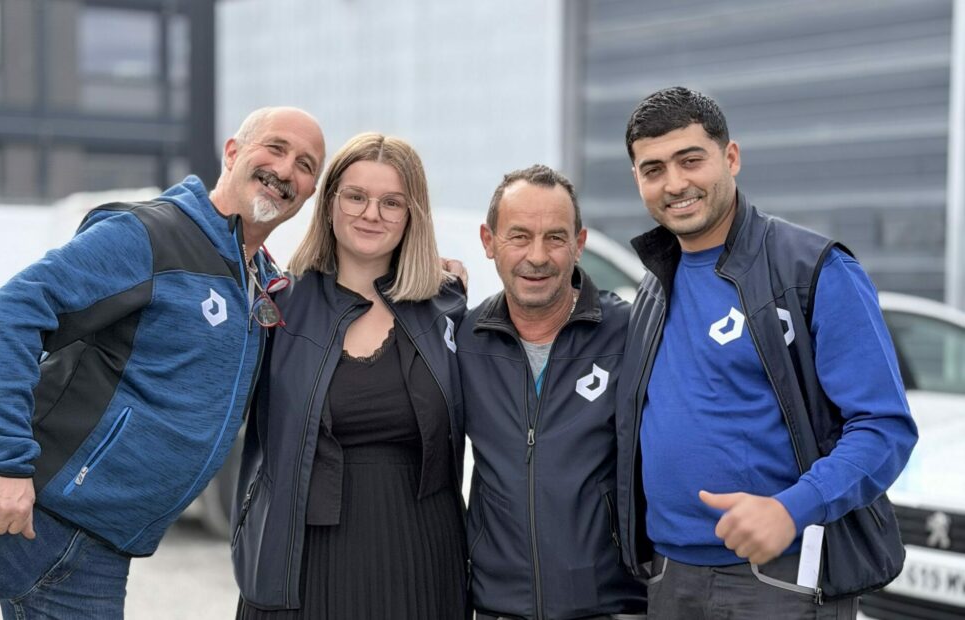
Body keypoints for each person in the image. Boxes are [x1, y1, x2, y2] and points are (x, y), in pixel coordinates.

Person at [0, 106, 325, 618]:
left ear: (309, 192)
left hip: (98, 556)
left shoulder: (262, 285)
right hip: (10, 504)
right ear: (232, 152)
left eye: (305, 164)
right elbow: (12, 310)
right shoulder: (152, 234)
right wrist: (3, 463)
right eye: (275, 148)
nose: (286, 170)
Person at [616, 86, 918, 618]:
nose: (676, 183)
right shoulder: (652, 286)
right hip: (668, 578)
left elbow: (884, 428)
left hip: (781, 578)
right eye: (654, 169)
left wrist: (791, 508)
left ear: (730, 157)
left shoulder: (812, 270)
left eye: (691, 160)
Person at [232, 132, 468, 619]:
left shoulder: (447, 308)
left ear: (413, 215)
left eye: (391, 202)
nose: (371, 214)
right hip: (303, 555)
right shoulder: (278, 306)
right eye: (356, 197)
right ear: (330, 203)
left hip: (421, 552)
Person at [457, 164, 646, 620]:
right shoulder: (463, 339)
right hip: (497, 607)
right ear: (489, 242)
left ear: (578, 244)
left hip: (611, 606)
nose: (537, 256)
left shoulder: (631, 333)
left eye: (555, 238)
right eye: (519, 236)